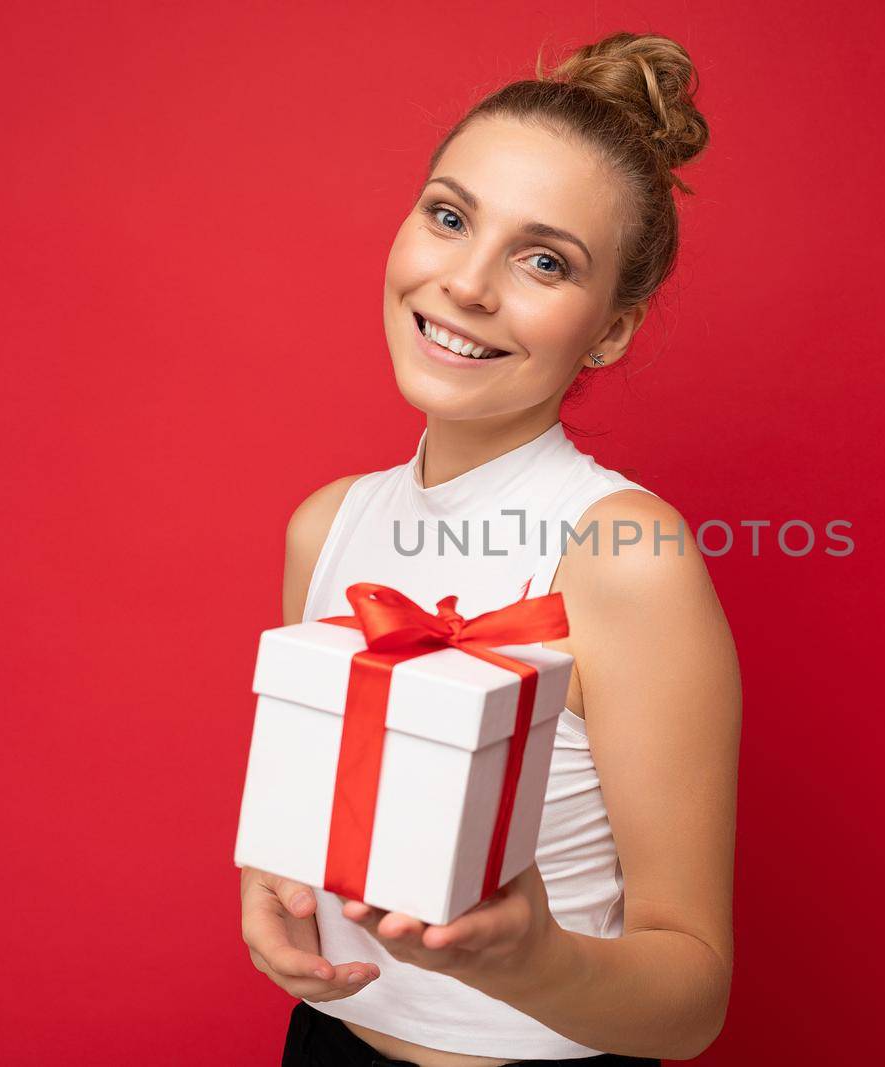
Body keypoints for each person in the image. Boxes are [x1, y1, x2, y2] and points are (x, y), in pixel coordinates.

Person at [240, 31, 740, 1066]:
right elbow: (306, 820)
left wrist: (531, 961)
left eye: (544, 259)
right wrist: (271, 887)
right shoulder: (324, 526)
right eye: (450, 215)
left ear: (609, 330)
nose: (467, 284)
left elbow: (692, 1004)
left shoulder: (622, 553)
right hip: (324, 1043)